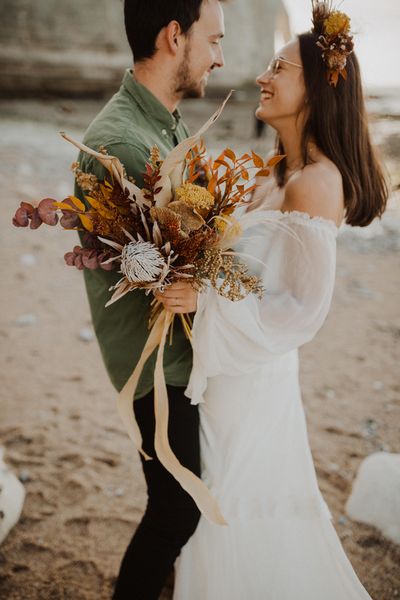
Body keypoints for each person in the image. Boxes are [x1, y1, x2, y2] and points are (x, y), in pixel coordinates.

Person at [155, 3, 388, 598]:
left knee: (232, 508)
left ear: (316, 88)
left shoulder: (315, 183)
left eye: (278, 68)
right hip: (232, 371)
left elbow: (300, 312)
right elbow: (253, 278)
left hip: (251, 382)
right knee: (213, 508)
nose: (262, 76)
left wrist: (202, 303)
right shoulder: (272, 173)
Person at [74, 1, 225, 598]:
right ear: (173, 35)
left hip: (178, 355)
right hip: (155, 364)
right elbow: (160, 274)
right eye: (212, 40)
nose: (219, 56)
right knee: (175, 510)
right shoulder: (121, 143)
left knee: (179, 505)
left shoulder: (163, 121)